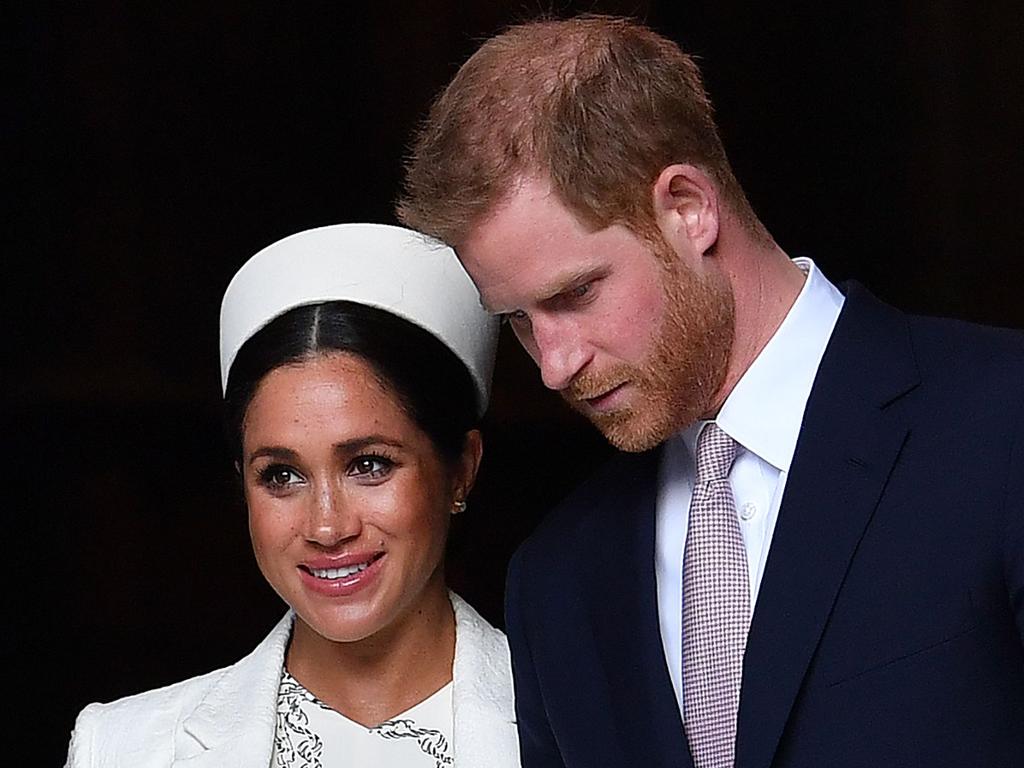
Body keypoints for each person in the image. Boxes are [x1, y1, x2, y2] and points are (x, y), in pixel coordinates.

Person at [397, 15, 1024, 768]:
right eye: (518, 322)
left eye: (576, 294)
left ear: (688, 207)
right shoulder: (557, 582)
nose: (552, 365)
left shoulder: (1002, 425)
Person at [64, 224, 520, 767]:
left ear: (461, 470)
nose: (327, 527)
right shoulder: (124, 750)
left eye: (368, 466)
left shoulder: (585, 728)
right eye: (282, 476)